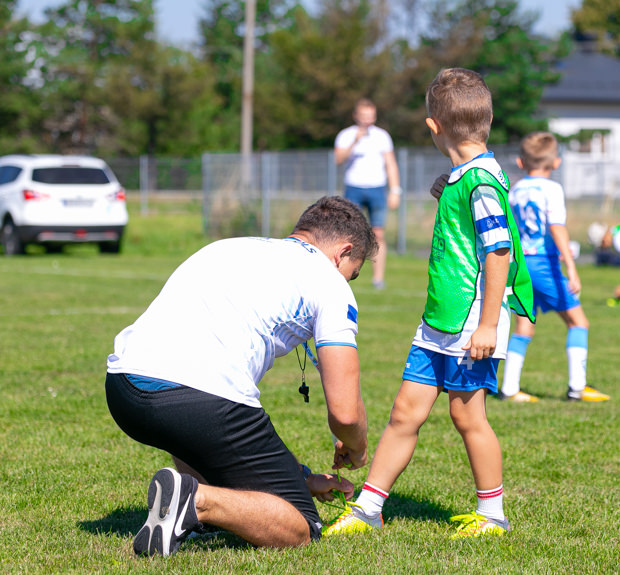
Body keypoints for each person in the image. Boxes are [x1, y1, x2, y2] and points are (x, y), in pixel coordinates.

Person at [323, 68, 535, 538]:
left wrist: (486, 326)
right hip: (440, 319)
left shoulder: (480, 182)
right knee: (405, 413)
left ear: (433, 127)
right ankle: (368, 508)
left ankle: (493, 515)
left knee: (467, 415)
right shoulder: (470, 177)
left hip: (468, 323)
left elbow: (499, 252)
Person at [104, 196, 377, 556]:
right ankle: (195, 502)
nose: (349, 281)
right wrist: (355, 445)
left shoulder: (228, 247)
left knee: (200, 433)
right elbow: (345, 413)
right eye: (353, 273)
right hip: (195, 399)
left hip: (124, 387)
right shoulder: (330, 282)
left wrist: (300, 477)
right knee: (301, 526)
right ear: (344, 252)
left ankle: (192, 514)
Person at [500, 131, 610, 403]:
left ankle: (509, 388)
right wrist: (571, 266)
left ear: (520, 162)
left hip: (520, 265)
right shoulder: (552, 189)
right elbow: (556, 227)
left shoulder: (515, 190)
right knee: (578, 322)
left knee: (524, 327)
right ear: (556, 163)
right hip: (544, 265)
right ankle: (576, 387)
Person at [334, 98, 402, 290]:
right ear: (356, 116)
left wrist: (395, 190)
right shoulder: (346, 135)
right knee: (347, 235)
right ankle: (342, 276)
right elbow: (338, 159)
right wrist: (355, 141)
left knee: (378, 234)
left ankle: (378, 279)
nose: (367, 120)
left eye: (371, 117)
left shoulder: (382, 136)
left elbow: (391, 164)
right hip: (353, 188)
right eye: (364, 116)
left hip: (377, 189)